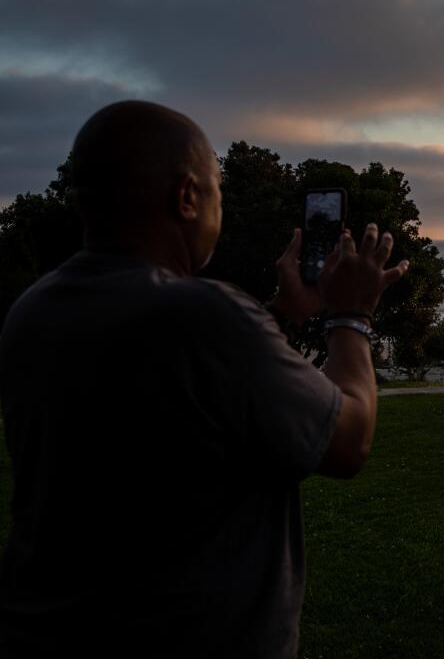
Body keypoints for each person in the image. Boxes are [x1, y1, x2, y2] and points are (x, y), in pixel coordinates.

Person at [0, 101, 407, 658]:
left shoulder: (33, 311)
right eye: (216, 189)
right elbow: (349, 440)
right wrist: (350, 316)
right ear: (186, 196)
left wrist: (281, 315)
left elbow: (180, 391)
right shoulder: (206, 317)